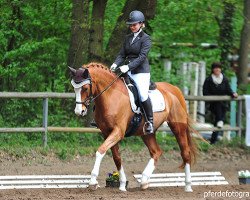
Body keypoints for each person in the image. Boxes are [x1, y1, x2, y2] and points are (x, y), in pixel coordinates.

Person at [110, 10, 153, 135]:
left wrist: (127, 67)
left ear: (141, 24)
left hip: (141, 72)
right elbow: (122, 54)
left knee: (143, 94)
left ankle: (150, 121)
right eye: (130, 24)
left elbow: (141, 57)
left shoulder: (146, 39)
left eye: (134, 24)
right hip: (126, 71)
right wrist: (115, 64)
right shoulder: (127, 38)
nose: (132, 27)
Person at [203, 62, 238, 144]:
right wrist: (212, 98)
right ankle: (220, 121)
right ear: (213, 70)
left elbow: (228, 89)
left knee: (217, 123)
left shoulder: (224, 79)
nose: (217, 69)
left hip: (223, 104)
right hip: (213, 104)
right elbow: (205, 92)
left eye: (219, 68)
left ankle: (213, 140)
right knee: (219, 118)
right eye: (215, 68)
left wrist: (233, 93)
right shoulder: (208, 80)